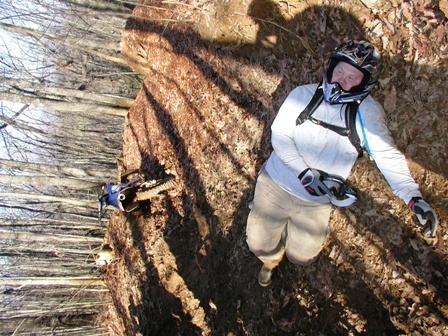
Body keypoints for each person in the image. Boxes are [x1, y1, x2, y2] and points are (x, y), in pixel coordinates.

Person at [246, 39, 439, 287]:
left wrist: (414, 198)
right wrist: (305, 173)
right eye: (339, 71)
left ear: (366, 82)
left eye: (352, 77)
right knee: (258, 243)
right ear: (330, 68)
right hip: (275, 184)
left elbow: (387, 155)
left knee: (302, 256)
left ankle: (290, 255)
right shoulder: (302, 95)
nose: (341, 81)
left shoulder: (367, 114)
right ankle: (270, 262)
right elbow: (280, 136)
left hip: (316, 201)